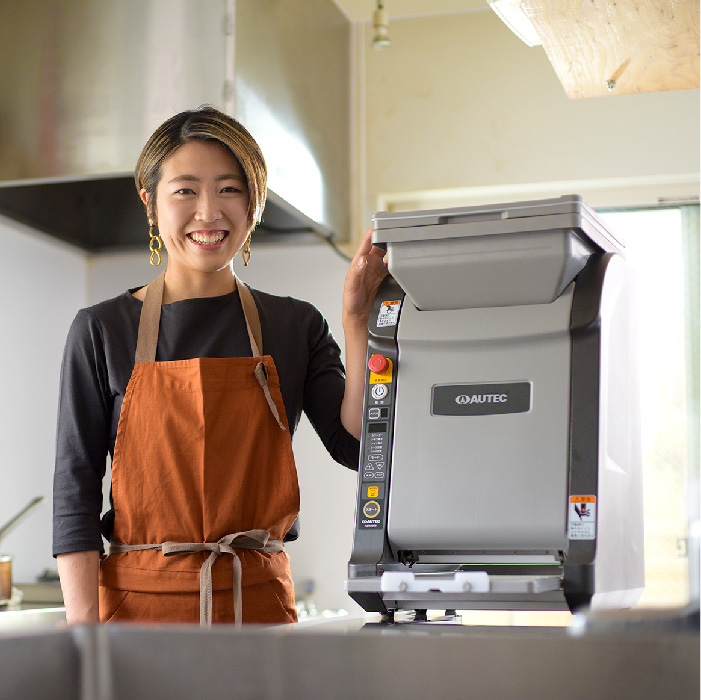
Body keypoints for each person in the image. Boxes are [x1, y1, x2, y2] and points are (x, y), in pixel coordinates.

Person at [53, 106, 387, 626]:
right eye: (185, 190)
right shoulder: (101, 329)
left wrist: (358, 324)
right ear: (151, 203)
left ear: (253, 204)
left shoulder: (294, 325)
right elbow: (74, 492)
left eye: (229, 189)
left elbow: (356, 447)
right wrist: (83, 637)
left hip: (256, 612)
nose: (208, 212)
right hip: (135, 615)